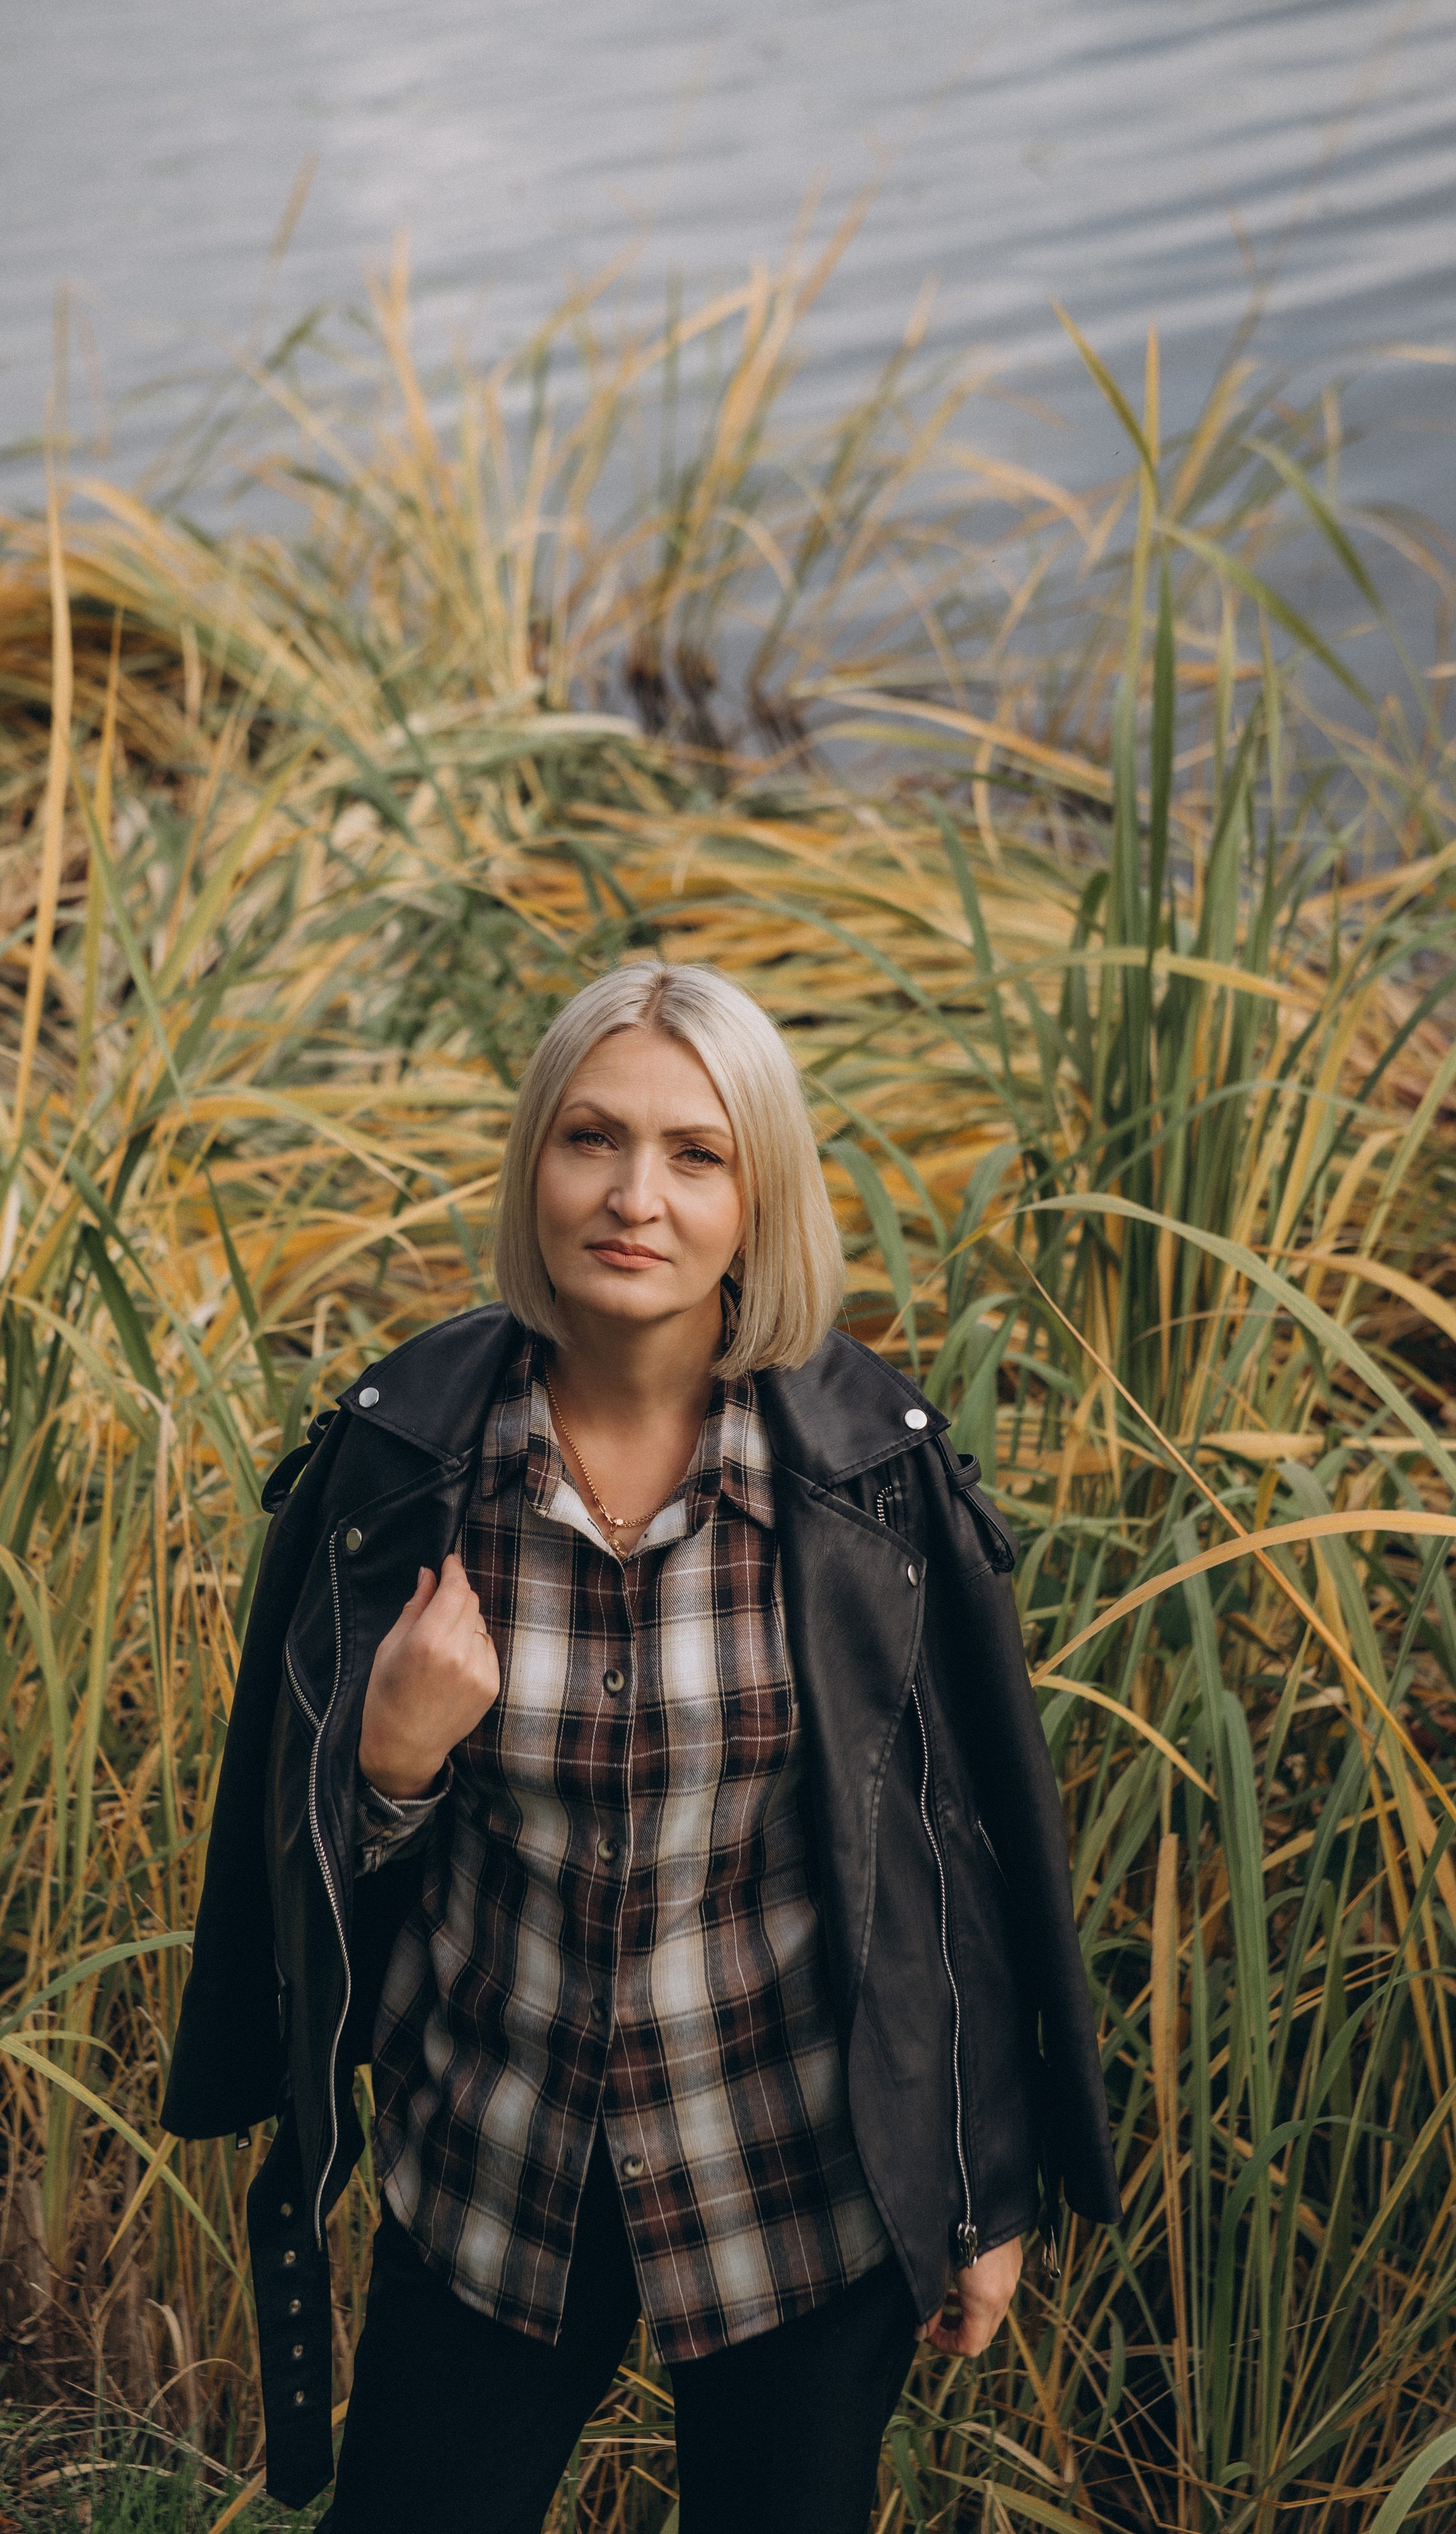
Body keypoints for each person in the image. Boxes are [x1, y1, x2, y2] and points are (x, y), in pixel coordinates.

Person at [161, 962, 1122, 2533]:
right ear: (532, 1160)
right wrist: (392, 1766)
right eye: (590, 1138)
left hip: (792, 2184)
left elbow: (945, 1864)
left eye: (696, 1153)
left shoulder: (865, 1481)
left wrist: (975, 2190)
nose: (633, 1197)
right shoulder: (405, 1465)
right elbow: (296, 1862)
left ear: (762, 1195)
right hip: (491, 2169)